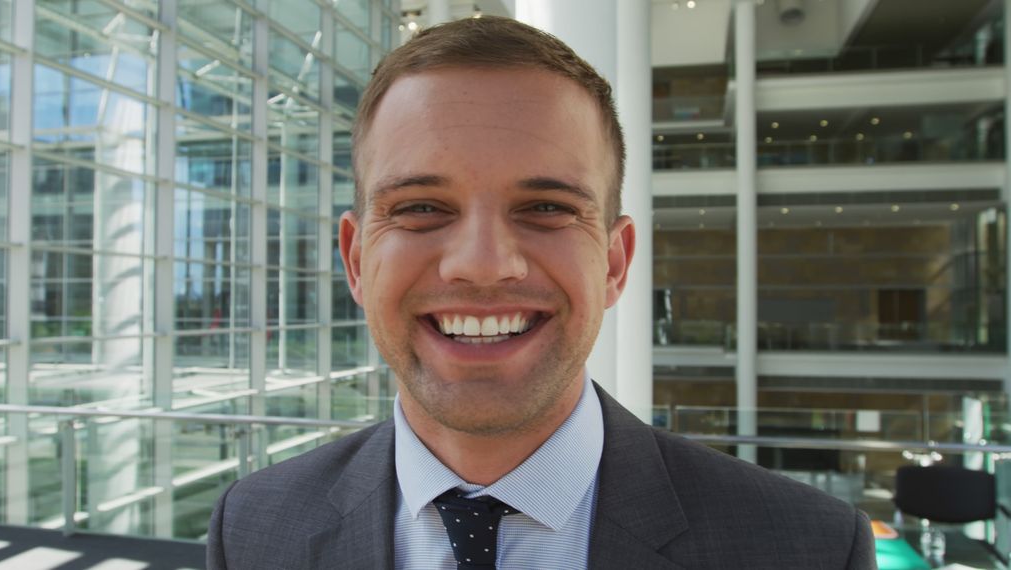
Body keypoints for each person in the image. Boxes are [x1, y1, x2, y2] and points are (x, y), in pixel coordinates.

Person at [207, 16, 876, 569]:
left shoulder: (809, 548)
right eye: (420, 209)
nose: (483, 265)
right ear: (356, 260)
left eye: (547, 209)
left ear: (614, 263)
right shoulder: (251, 533)